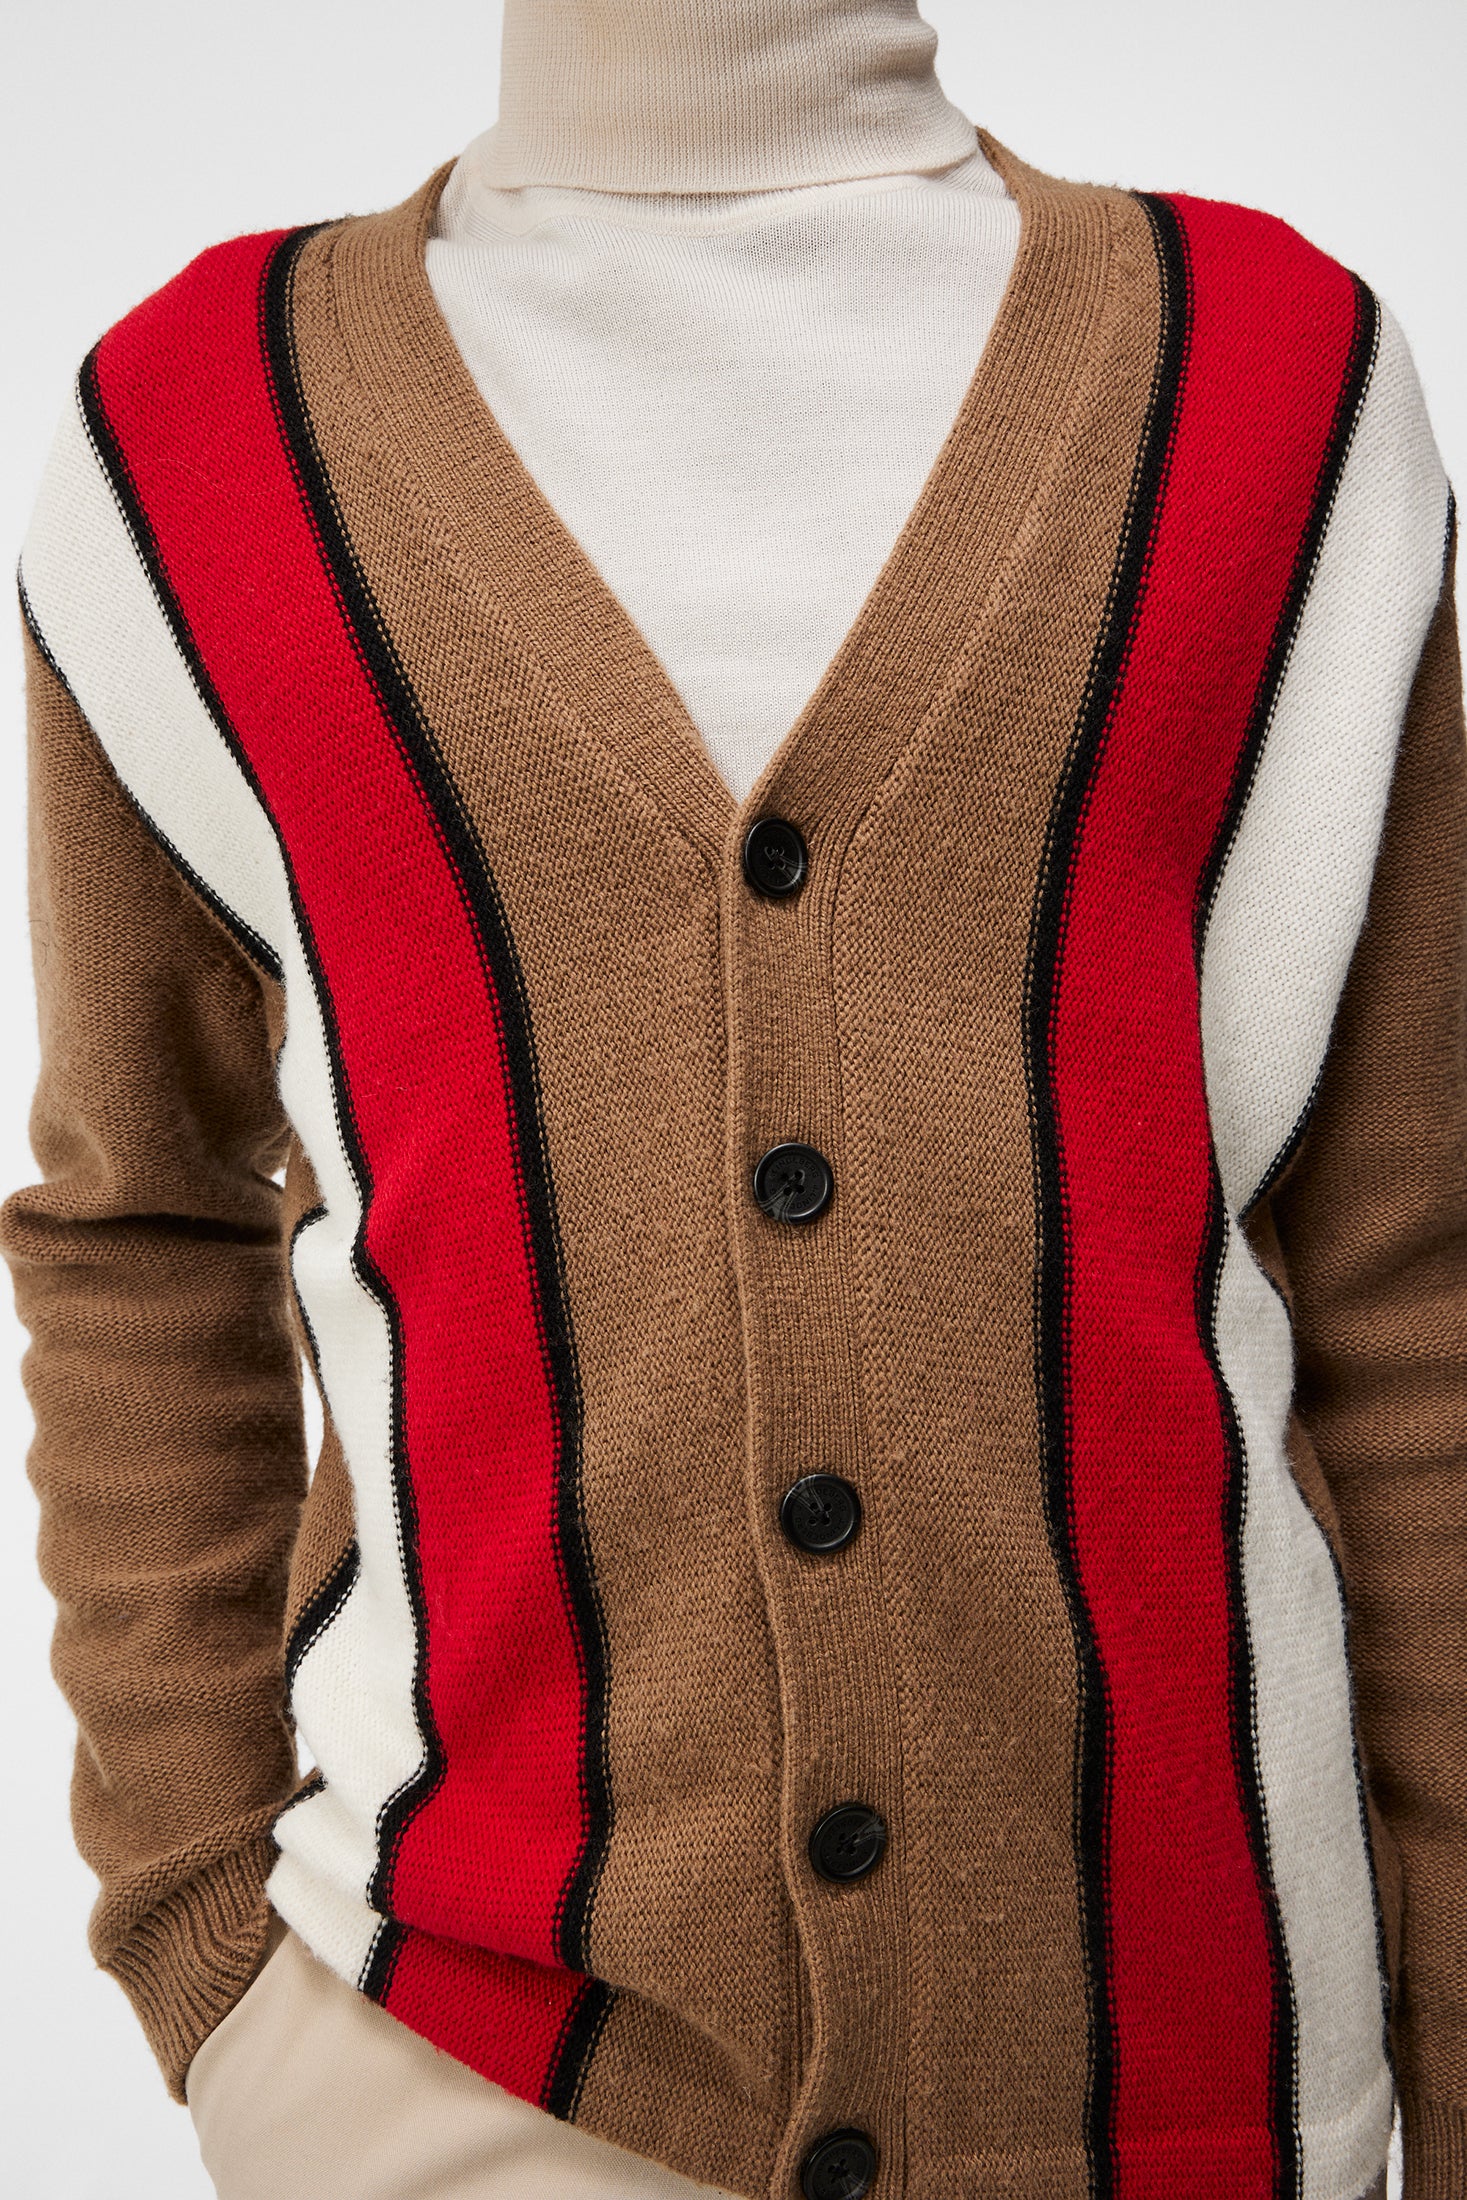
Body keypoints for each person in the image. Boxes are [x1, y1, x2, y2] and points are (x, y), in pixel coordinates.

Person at [5, 2, 1461, 2195]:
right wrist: (206, 1938)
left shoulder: (1275, 380)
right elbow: (141, 1215)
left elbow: (1409, 1280)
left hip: (1188, 2073)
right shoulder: (192, 435)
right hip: (452, 2059)